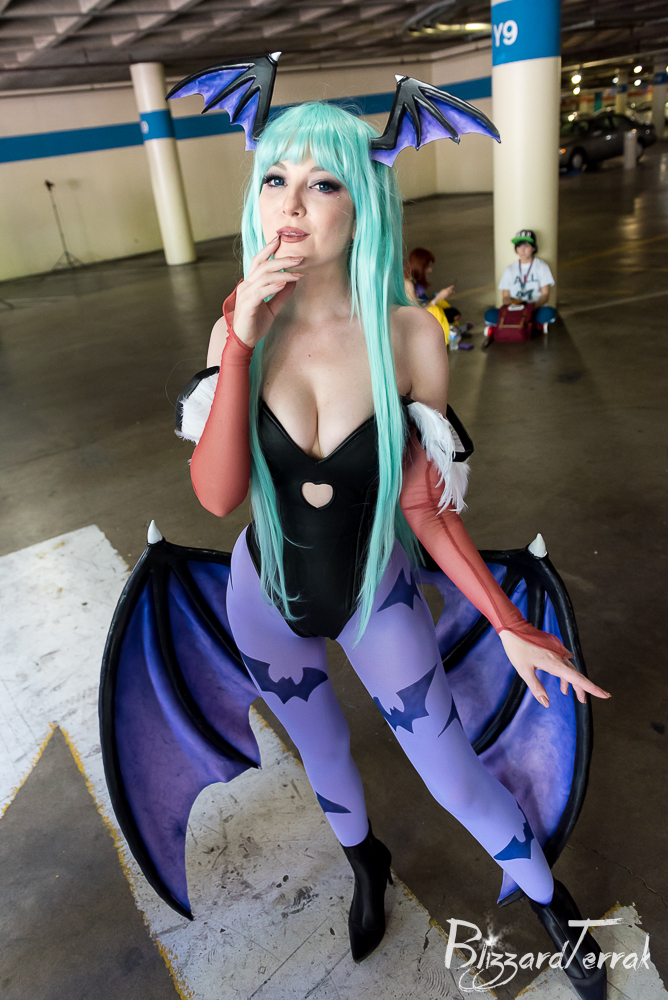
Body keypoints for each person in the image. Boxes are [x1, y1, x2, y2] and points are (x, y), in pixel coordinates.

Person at [185, 98, 609, 999]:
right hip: (266, 601)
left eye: (322, 183)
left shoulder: (411, 334)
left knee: (454, 775)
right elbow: (218, 496)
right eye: (275, 178)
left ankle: (549, 901)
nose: (290, 203)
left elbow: (423, 504)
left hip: (375, 595)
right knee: (325, 757)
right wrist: (241, 347)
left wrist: (507, 622)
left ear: (365, 201)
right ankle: (365, 862)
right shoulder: (236, 328)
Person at [485, 230, 557, 334]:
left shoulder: (542, 267)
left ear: (533, 248)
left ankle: (511, 325)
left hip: (534, 309)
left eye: (526, 246)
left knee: (549, 312)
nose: (522, 250)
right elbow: (505, 296)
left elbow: (545, 295)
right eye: (519, 246)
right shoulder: (510, 269)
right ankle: (534, 326)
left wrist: (531, 308)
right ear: (516, 249)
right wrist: (513, 307)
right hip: (514, 309)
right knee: (490, 314)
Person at [404, 247, 471, 345]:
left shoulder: (412, 279)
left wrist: (439, 297)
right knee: (435, 310)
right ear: (420, 267)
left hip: (419, 314)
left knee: (447, 307)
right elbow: (416, 314)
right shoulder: (408, 284)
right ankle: (445, 338)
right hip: (413, 322)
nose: (430, 270)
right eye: (427, 267)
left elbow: (421, 303)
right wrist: (437, 298)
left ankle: (452, 328)